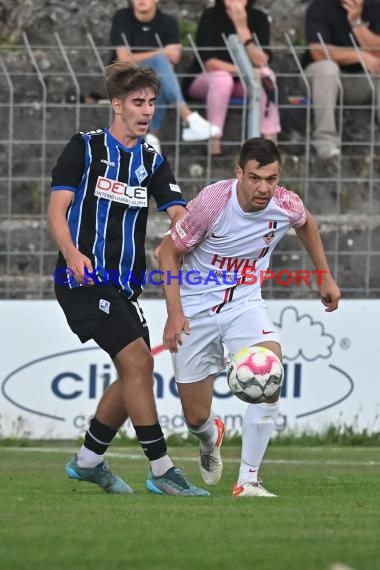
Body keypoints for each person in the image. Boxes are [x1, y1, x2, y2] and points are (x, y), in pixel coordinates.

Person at [47, 61, 209, 497]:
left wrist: (196, 228)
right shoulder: (85, 147)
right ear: (116, 104)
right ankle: (162, 469)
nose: (146, 111)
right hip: (81, 278)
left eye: (152, 103)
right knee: (138, 361)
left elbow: (178, 212)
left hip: (123, 288)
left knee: (133, 369)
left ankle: (88, 460)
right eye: (137, 102)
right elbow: (55, 211)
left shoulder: (152, 161)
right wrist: (72, 253)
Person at [157, 137, 341, 497]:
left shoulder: (285, 203)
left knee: (270, 368)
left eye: (271, 178)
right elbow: (166, 253)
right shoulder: (213, 203)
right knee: (195, 416)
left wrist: (324, 276)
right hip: (195, 306)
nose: (264, 188)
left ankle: (248, 480)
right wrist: (174, 313)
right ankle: (211, 436)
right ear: (239, 172)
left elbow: (306, 224)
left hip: (244, 303)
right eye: (255, 178)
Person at [110, 0, 220, 153]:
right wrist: (161, 52)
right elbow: (123, 59)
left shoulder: (168, 22)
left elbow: (174, 57)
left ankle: (152, 140)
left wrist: (154, 56)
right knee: (158, 64)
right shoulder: (122, 17)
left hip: (152, 80)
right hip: (125, 77)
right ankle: (187, 119)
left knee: (155, 78)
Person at [183, 0, 281, 156]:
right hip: (207, 79)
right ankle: (214, 140)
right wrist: (245, 72)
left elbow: (262, 61)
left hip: (242, 83)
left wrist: (242, 28)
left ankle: (269, 141)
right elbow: (210, 63)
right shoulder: (210, 16)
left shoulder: (258, 18)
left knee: (267, 75)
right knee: (222, 79)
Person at [302, 0, 380, 160]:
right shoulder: (320, 7)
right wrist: (361, 55)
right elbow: (319, 53)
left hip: (361, 81)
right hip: (319, 80)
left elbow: (378, 55)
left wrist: (357, 23)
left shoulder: (376, 7)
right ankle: (326, 142)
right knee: (327, 68)